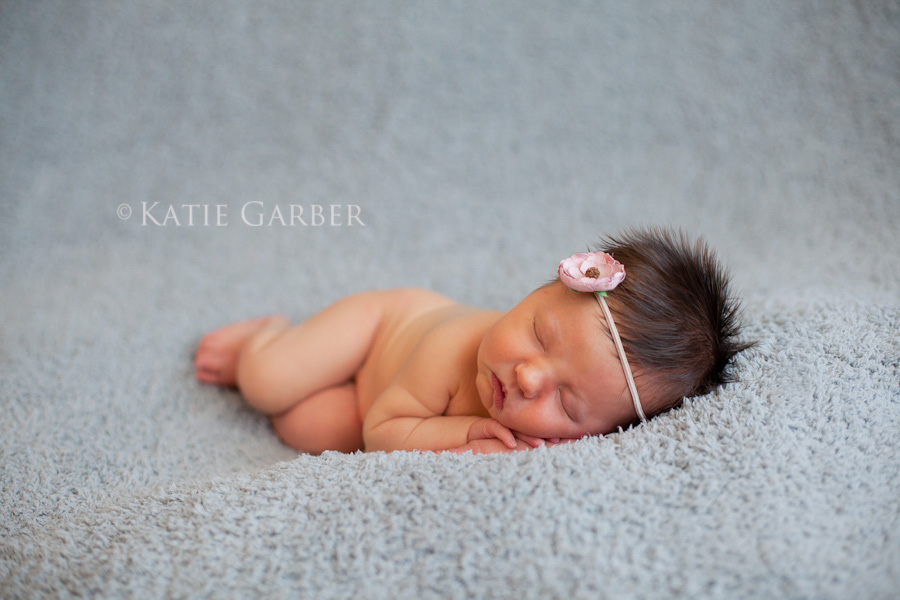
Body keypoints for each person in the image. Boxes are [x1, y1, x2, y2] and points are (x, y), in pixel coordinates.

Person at [194, 228, 752, 454]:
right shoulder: (452, 350)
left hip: (385, 398)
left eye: (570, 404)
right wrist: (463, 435)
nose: (530, 377)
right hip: (380, 331)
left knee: (302, 428)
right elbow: (380, 430)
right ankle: (265, 336)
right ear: (538, 291)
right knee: (269, 386)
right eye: (538, 332)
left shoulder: (553, 434)